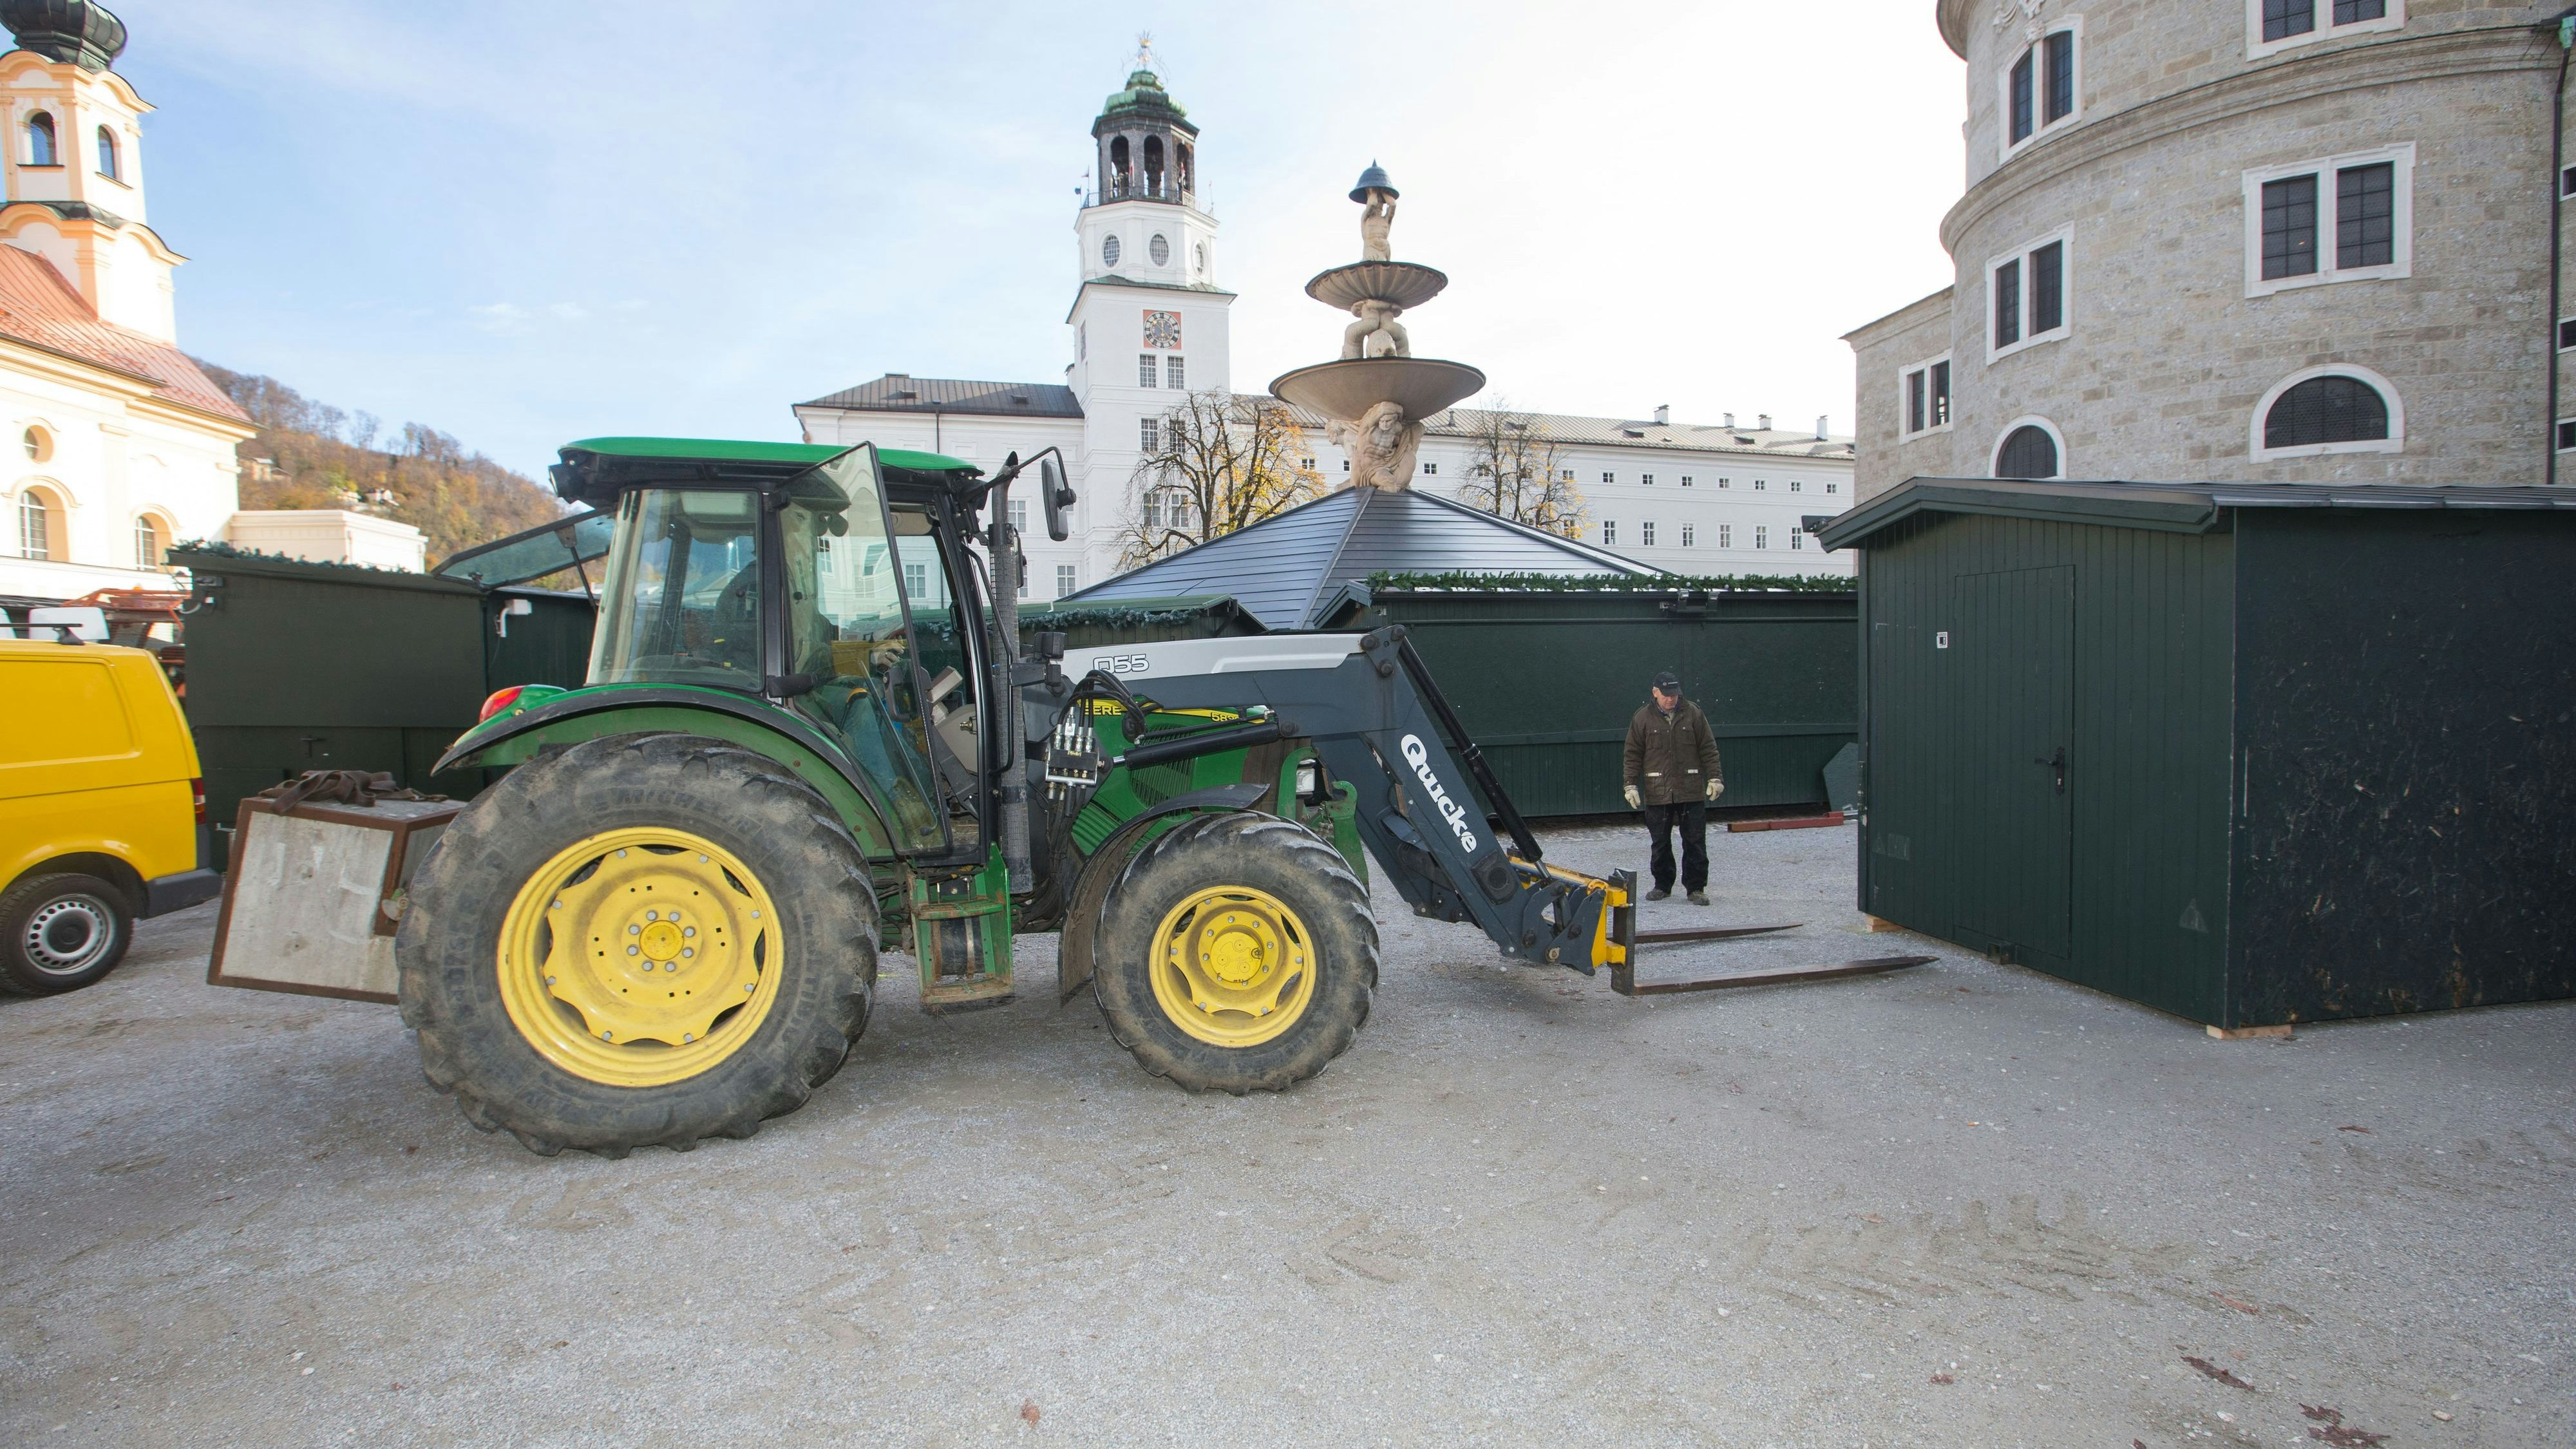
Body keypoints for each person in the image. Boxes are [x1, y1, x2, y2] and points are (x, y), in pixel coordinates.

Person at [1621, 669, 1724, 904]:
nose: (1671, 699)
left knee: (1695, 841)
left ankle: (1696, 888)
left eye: (1675, 694)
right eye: (1666, 694)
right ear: (1655, 692)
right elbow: (1632, 754)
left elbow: (1708, 748)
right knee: (1660, 842)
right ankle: (1662, 885)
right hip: (1657, 791)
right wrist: (1630, 785)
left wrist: (1715, 778)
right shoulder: (1642, 718)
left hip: (1691, 790)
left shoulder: (1694, 714)